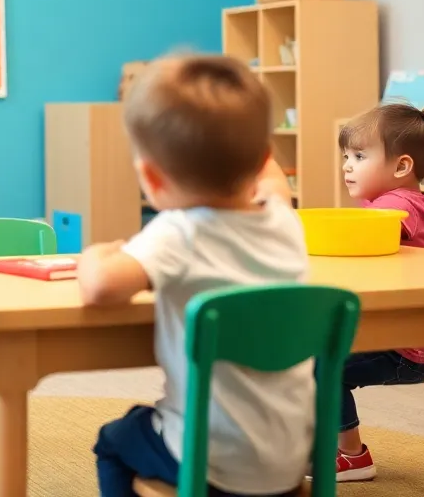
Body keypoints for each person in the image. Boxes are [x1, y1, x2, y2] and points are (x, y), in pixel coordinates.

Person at [78, 54, 308, 497]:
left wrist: (96, 253)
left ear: (151, 177)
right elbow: (274, 182)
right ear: (263, 157)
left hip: (209, 463)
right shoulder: (284, 221)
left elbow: (100, 285)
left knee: (114, 440)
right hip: (289, 461)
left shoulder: (176, 233)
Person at [333, 103, 424, 482]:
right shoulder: (408, 202)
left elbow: (356, 244)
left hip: (411, 348)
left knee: (318, 367)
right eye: (346, 156)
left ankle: (351, 456)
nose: (347, 166)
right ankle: (328, 442)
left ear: (401, 167)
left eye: (359, 156)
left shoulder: (396, 206)